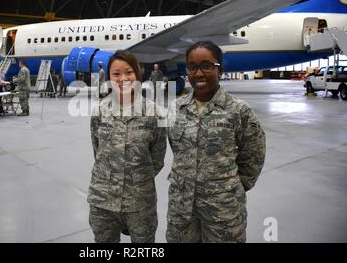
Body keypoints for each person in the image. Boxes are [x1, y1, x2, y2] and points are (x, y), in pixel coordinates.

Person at [166, 41, 266, 243]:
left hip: (223, 209)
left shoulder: (239, 110)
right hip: (181, 207)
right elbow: (175, 148)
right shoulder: (175, 108)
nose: (199, 73)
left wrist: (232, 187)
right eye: (192, 67)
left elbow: (254, 155)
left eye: (206, 65)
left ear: (220, 70)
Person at [88, 50, 167, 243]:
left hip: (140, 202)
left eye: (129, 72)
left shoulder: (154, 113)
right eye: (116, 74)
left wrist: (136, 179)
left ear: (138, 76)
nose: (123, 78)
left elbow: (157, 159)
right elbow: (97, 151)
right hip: (103, 200)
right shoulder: (99, 111)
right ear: (109, 78)